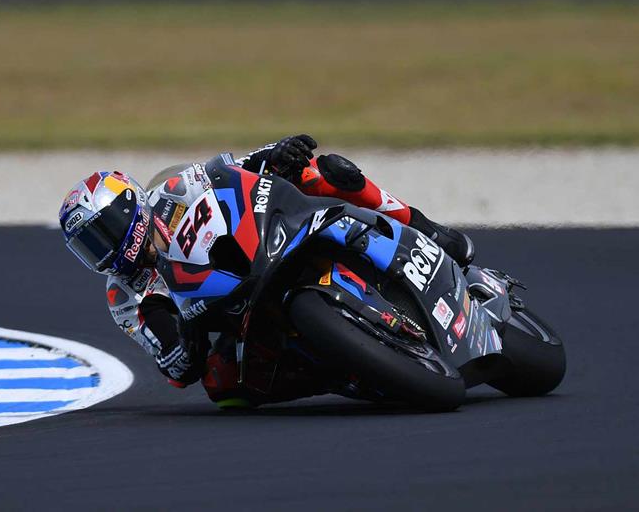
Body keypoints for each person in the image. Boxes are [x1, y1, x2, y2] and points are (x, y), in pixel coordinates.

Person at [58, 135, 474, 405]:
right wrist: (179, 332)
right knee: (223, 388)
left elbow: (234, 168)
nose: (105, 249)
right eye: (88, 247)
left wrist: (278, 154)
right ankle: (347, 369)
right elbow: (177, 367)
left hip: (261, 245)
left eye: (103, 232)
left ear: (130, 207)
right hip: (231, 314)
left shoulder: (172, 190)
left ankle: (423, 227)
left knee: (321, 171)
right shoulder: (125, 296)